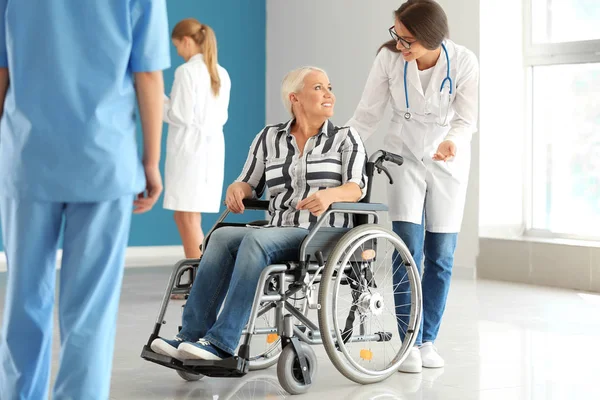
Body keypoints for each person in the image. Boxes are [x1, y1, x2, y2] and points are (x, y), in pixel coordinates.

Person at [0, 1, 170, 398]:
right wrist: (151, 161)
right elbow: (147, 75)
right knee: (90, 309)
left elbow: (2, 70)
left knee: (23, 296)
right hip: (103, 160)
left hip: (28, 157)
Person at [150, 66, 367, 361]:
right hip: (278, 230)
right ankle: (189, 336)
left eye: (329, 87)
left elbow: (356, 187)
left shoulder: (345, 137)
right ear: (295, 98)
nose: (329, 94)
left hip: (322, 234)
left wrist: (330, 194)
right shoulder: (270, 137)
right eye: (318, 88)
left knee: (255, 242)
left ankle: (221, 343)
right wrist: (237, 189)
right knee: (221, 236)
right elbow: (249, 182)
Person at [347, 0, 479, 373]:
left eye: (408, 41)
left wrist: (452, 140)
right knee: (407, 249)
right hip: (402, 155)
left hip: (446, 160)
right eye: (397, 36)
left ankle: (428, 341)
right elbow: (367, 114)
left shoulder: (464, 61)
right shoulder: (388, 59)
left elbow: (466, 120)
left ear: (432, 38)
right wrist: (340, 149)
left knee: (441, 255)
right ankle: (408, 339)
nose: (399, 46)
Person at [164, 18, 231, 260]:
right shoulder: (220, 73)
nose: (178, 52)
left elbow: (178, 114)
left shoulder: (186, 72)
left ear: (186, 41)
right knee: (189, 215)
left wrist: (157, 101)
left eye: (177, 46)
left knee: (186, 216)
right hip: (210, 151)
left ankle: (198, 275)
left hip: (189, 152)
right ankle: (199, 273)